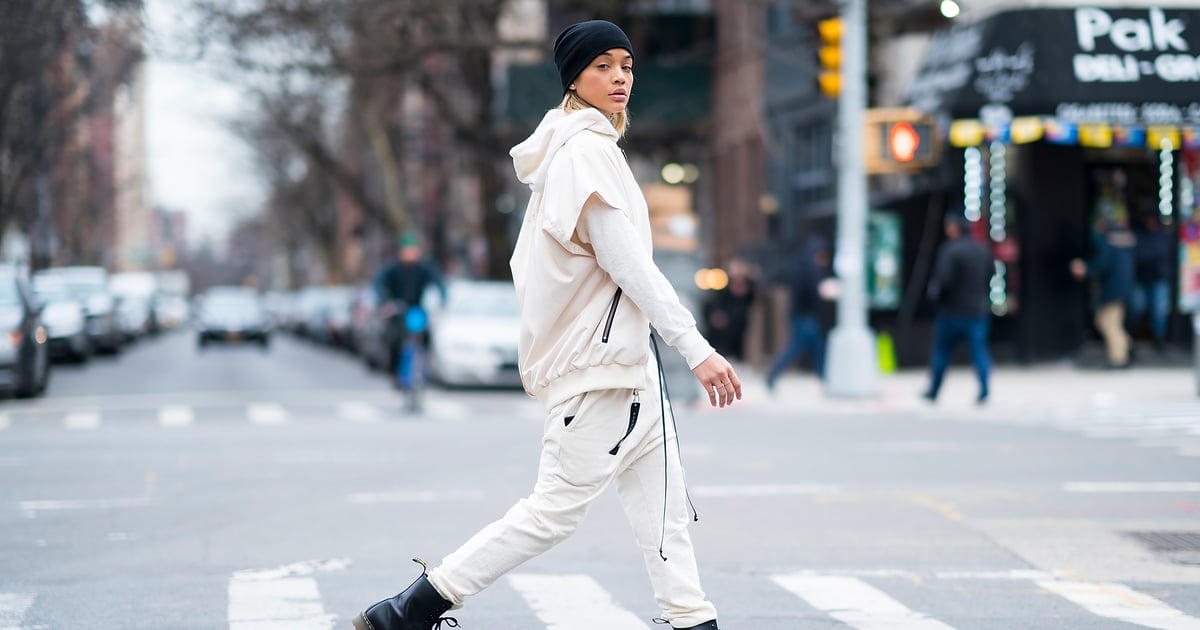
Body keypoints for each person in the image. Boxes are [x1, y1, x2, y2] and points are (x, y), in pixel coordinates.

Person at [353, 20, 741, 630]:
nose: (619, 78)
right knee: (553, 512)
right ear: (574, 78)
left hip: (631, 369)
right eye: (603, 66)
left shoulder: (591, 150)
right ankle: (413, 608)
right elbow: (630, 265)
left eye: (626, 66)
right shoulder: (583, 154)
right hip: (599, 373)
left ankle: (693, 620)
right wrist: (696, 348)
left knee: (664, 514)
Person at [922, 212, 995, 404]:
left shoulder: (950, 250)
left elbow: (943, 281)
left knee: (942, 352)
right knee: (979, 351)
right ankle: (985, 389)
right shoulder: (982, 249)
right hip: (976, 310)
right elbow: (991, 276)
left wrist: (935, 297)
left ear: (953, 228)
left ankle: (934, 390)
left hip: (951, 312)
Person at [764, 236, 831, 390]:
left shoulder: (801, 266)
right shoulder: (810, 268)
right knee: (797, 348)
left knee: (815, 347)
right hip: (804, 316)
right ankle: (772, 375)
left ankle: (824, 378)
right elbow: (813, 292)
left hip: (802, 315)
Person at [1071, 215, 1136, 368]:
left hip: (1113, 290)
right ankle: (1126, 346)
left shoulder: (1108, 242)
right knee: (1104, 321)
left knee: (1109, 323)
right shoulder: (1126, 242)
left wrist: (1085, 270)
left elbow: (1102, 267)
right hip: (1124, 289)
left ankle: (1119, 358)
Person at [1130, 214, 1172, 351]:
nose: (1150, 224)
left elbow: (1158, 254)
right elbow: (1139, 255)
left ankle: (1158, 339)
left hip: (1158, 279)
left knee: (1159, 311)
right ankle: (1133, 338)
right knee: (1137, 308)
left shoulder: (1162, 236)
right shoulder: (1140, 235)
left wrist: (1146, 257)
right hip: (1142, 279)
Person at [704, 258, 756, 360]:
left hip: (740, 319)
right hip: (725, 317)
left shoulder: (749, 284)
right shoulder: (724, 282)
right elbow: (715, 300)